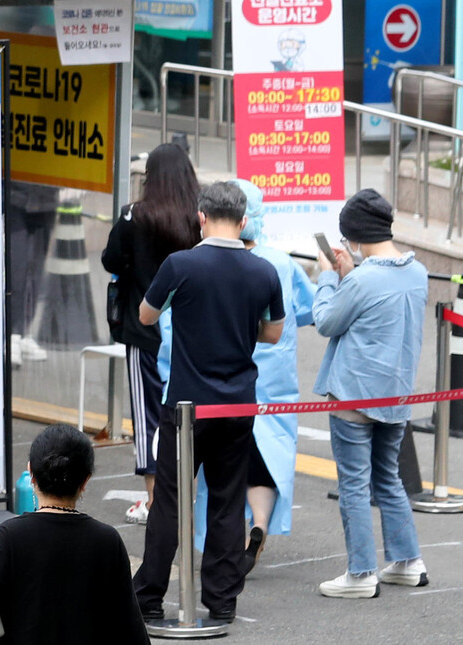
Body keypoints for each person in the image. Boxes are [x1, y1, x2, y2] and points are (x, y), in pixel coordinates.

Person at [133, 181, 284, 624]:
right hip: (237, 405)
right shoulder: (263, 271)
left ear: (201, 217)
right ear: (243, 222)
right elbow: (273, 333)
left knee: (170, 503)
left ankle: (149, 596)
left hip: (186, 407)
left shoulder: (181, 264)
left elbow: (146, 315)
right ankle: (222, 602)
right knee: (226, 501)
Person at [187, 180, 316, 572]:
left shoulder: (199, 261)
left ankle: (220, 548)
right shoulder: (280, 262)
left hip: (223, 379)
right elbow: (307, 311)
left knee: (221, 470)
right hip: (275, 380)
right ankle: (258, 526)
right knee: (267, 459)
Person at [313, 189, 429, 599]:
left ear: (354, 236)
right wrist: (350, 276)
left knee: (355, 485)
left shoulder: (361, 280)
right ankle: (407, 560)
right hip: (396, 395)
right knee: (388, 478)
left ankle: (361, 573)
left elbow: (326, 321)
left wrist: (328, 277)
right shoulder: (418, 273)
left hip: (354, 396)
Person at [0, 424, 150, 645]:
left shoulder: (8, 537)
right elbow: (131, 629)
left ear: (31, 473)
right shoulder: (107, 540)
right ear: (86, 480)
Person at [101, 143, 201, 524]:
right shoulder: (199, 215)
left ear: (150, 178)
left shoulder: (134, 215)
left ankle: (155, 500)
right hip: (192, 334)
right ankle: (191, 499)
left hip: (146, 330)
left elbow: (111, 259)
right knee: (191, 413)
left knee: (148, 415)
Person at [8, 181, 57, 366]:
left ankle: (23, 332)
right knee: (17, 267)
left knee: (36, 267)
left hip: (45, 196)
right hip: (14, 195)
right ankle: (12, 334)